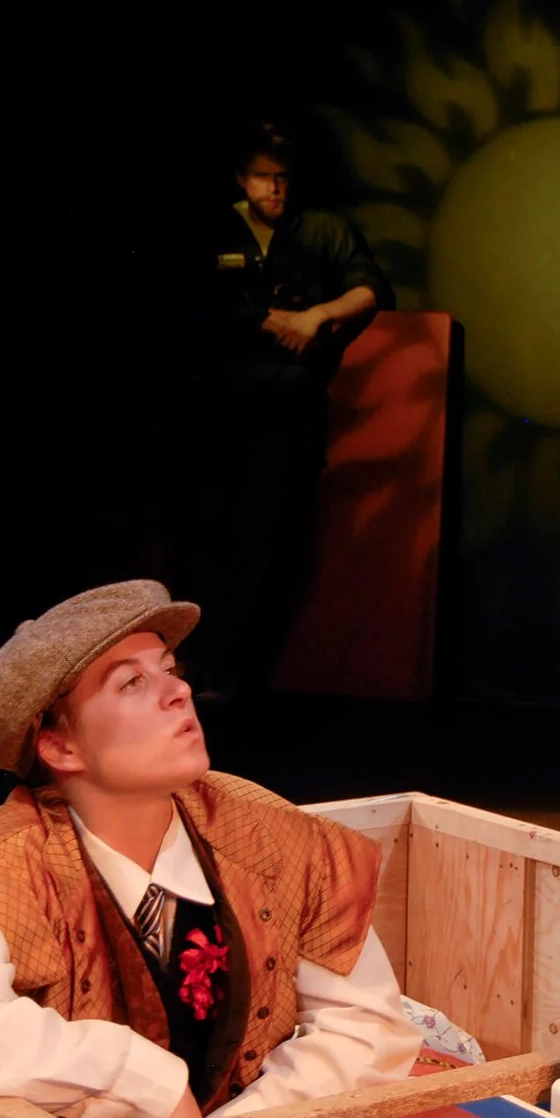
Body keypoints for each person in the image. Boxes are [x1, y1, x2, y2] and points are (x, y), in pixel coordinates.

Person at [0, 580, 422, 1118]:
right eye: (132, 682)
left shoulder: (268, 834)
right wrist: (139, 1080)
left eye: (170, 669)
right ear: (61, 748)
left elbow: (367, 1026)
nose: (178, 692)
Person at [180, 120, 396, 697]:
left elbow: (369, 287)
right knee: (209, 539)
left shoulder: (321, 229)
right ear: (241, 179)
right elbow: (187, 304)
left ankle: (245, 676)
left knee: (271, 540)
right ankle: (200, 669)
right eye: (263, 178)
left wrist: (316, 316)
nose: (275, 189)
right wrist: (266, 321)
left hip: (290, 411)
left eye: (283, 179)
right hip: (217, 413)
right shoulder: (211, 229)